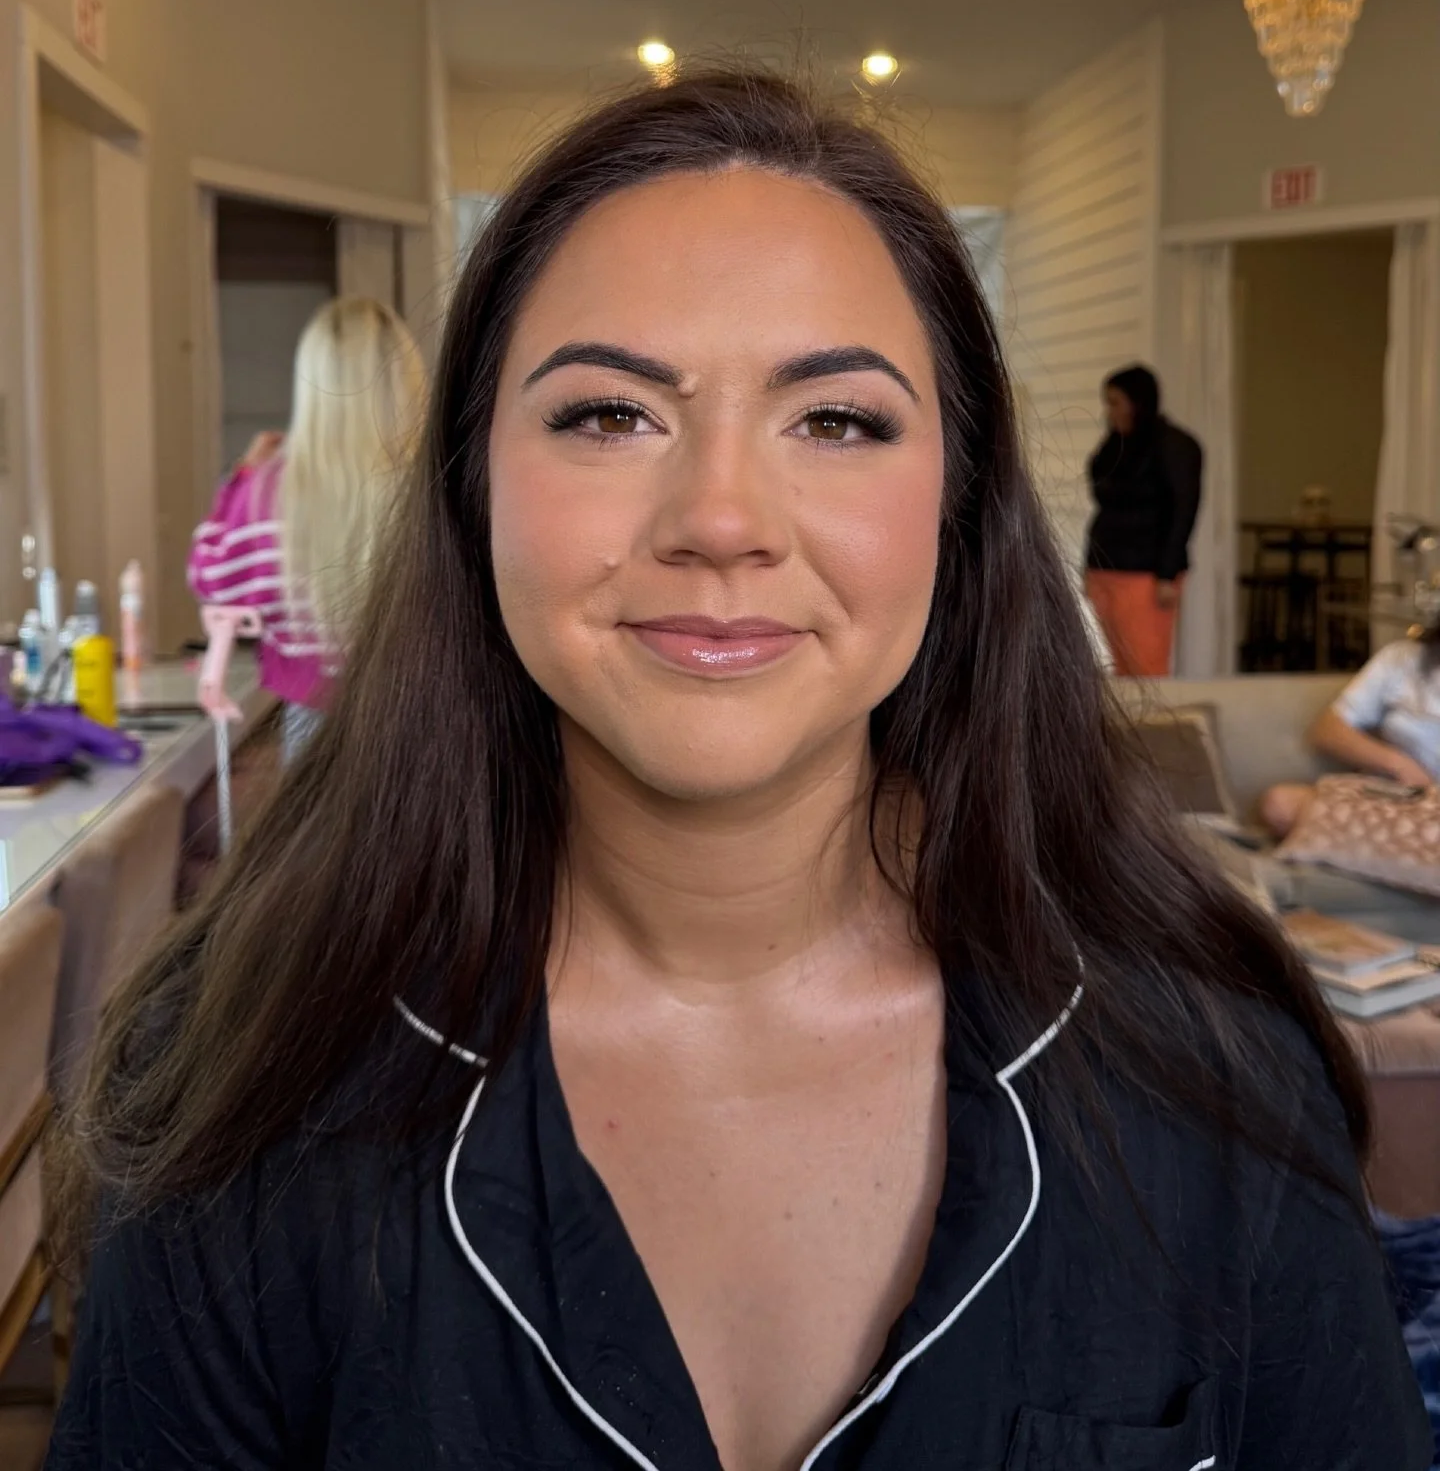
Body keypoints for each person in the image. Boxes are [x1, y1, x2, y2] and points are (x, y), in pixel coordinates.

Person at [50, 72, 1426, 1470]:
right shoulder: (244, 1080)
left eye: (836, 421)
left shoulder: (1211, 1069)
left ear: (960, 505)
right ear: (472, 486)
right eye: (607, 414)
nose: (719, 518)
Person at [187, 296, 427, 760]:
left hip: (313, 722)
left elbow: (211, 579)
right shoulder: (441, 483)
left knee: (324, 835)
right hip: (427, 715)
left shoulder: (265, 495)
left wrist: (241, 478)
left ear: (312, 383)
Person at [1261, 625, 1440, 837]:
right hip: (1393, 800)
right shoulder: (1402, 658)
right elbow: (1327, 730)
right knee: (1280, 804)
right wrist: (1400, 765)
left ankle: (1384, 852)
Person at [1084, 364, 1203, 678]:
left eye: (1115, 402)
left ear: (1138, 403)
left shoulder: (1176, 447)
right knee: (1118, 666)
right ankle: (1123, 728)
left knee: (1145, 667)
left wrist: (1166, 574)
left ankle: (1148, 728)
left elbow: (1183, 511)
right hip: (1105, 568)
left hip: (1145, 576)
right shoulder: (1115, 446)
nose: (1109, 411)